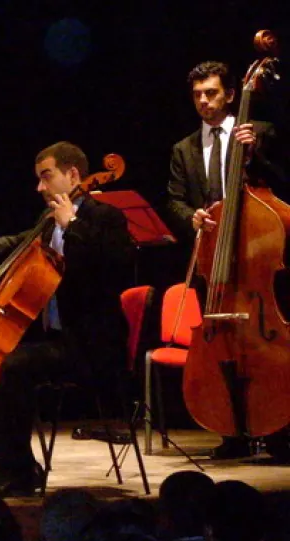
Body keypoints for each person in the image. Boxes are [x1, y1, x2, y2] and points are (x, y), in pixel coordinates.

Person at [0, 141, 134, 497]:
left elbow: (109, 275)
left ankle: (15, 470)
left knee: (7, 367)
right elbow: (14, 242)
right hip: (56, 342)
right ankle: (15, 466)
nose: (39, 187)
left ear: (73, 175)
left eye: (47, 177)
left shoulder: (106, 219)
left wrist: (72, 225)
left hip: (92, 346)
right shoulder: (46, 221)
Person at [165, 60, 288, 460]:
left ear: (231, 94)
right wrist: (192, 218)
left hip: (258, 257)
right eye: (198, 94)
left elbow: (283, 181)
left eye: (212, 93)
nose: (204, 101)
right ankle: (231, 429)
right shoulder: (183, 149)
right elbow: (175, 200)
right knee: (220, 343)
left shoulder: (260, 133)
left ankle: (278, 428)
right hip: (212, 262)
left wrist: (256, 153)